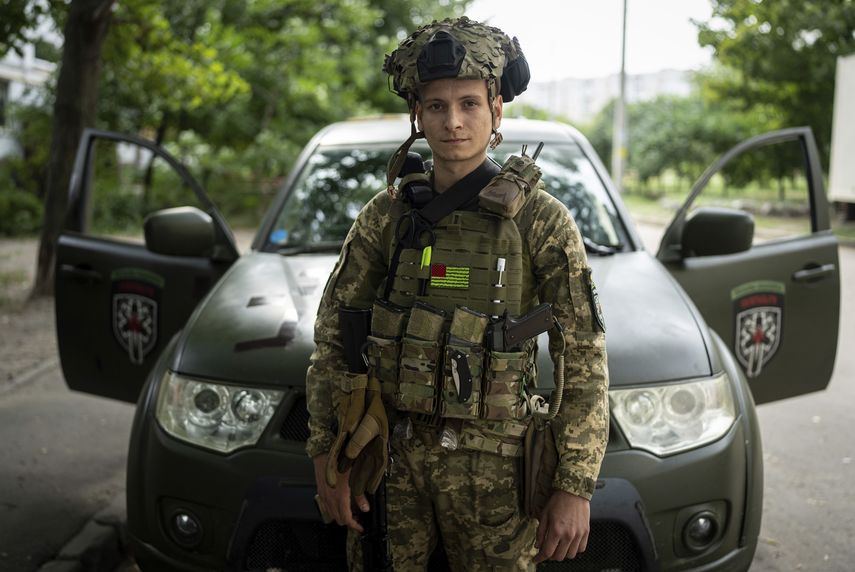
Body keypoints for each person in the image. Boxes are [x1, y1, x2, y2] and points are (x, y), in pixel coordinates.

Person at [305, 15, 609, 571]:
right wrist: (328, 456)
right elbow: (333, 338)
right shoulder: (387, 215)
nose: (453, 123)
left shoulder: (540, 220)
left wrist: (575, 484)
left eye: (469, 103)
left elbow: (583, 354)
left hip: (497, 480)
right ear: (417, 114)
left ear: (496, 110)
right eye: (437, 106)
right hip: (390, 468)